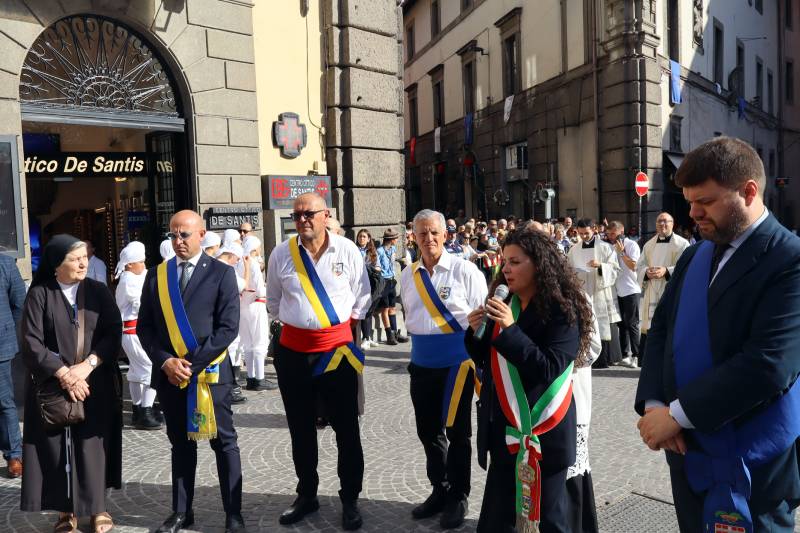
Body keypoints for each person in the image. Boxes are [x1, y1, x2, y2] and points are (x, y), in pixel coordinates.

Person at [635, 137, 800, 532]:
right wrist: (655, 402)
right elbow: (662, 331)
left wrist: (676, 415)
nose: (693, 214)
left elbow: (768, 364)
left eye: (705, 202)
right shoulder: (694, 254)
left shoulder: (789, 258)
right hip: (689, 455)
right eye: (690, 202)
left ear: (748, 191)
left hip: (754, 462)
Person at [465, 228, 594, 533]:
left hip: (544, 434)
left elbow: (548, 368)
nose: (505, 269)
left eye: (515, 262)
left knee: (548, 520)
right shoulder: (505, 302)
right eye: (504, 262)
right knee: (499, 519)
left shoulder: (563, 311)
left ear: (538, 264)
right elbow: (483, 357)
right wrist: (474, 332)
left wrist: (509, 330)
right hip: (504, 430)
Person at [266, 193, 371, 531]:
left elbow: (363, 296)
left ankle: (350, 498)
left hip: (336, 351)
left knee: (346, 428)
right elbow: (273, 302)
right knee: (300, 428)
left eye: (309, 214)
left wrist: (336, 329)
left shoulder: (348, 250)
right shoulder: (281, 253)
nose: (302, 220)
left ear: (326, 215)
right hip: (293, 352)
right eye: (296, 216)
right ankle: (307, 494)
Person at [137, 211, 246, 533]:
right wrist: (166, 362)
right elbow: (145, 328)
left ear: (201, 235)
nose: (178, 241)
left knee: (223, 443)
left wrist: (191, 365)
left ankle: (233, 514)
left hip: (211, 376)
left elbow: (228, 329)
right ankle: (182, 512)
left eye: (184, 234)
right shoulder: (157, 275)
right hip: (172, 376)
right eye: (173, 235)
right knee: (180, 444)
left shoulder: (222, 273)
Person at [20, 235, 123, 533]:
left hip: (94, 382)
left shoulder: (98, 291)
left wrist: (87, 366)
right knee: (56, 448)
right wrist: (65, 374)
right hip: (54, 385)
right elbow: (31, 343)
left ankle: (98, 508)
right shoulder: (39, 294)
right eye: (74, 258)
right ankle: (66, 512)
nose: (82, 262)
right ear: (56, 265)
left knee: (93, 445)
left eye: (84, 257)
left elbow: (113, 333)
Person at [399, 209, 487, 529]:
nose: (429, 238)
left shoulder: (465, 271)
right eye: (422, 233)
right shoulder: (408, 275)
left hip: (457, 365)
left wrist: (481, 363)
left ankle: (459, 496)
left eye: (434, 232)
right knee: (428, 431)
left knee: (458, 433)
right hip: (421, 364)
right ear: (414, 237)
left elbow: (483, 320)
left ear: (445, 235)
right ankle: (439, 488)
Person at [565, 293, 602, 533]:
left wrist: (558, 357)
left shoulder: (576, 297)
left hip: (569, 394)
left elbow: (593, 347)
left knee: (570, 466)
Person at [115, 241, 161, 430]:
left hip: (130, 332)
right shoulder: (129, 280)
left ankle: (137, 409)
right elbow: (141, 303)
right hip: (134, 331)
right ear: (129, 264)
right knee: (152, 367)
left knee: (136, 371)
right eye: (140, 262)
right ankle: (146, 410)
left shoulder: (132, 277)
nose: (143, 265)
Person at [567, 219, 621, 368]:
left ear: (594, 229)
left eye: (587, 233)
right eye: (581, 233)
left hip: (600, 291)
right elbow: (568, 269)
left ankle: (604, 359)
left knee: (602, 324)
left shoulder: (606, 248)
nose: (584, 236)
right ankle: (585, 355)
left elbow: (615, 269)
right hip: (582, 291)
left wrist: (600, 266)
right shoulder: (573, 250)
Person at [636, 212, 689, 362]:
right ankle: (651, 359)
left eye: (666, 221)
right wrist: (646, 272)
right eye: (659, 221)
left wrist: (666, 271)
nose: (662, 224)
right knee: (651, 326)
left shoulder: (682, 244)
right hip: (652, 290)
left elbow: (686, 266)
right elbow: (639, 266)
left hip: (671, 290)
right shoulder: (649, 244)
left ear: (673, 224)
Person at [215, 243, 250, 405]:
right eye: (236, 259)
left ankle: (229, 387)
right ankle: (229, 388)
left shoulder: (212, 265)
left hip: (218, 317)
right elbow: (243, 286)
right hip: (225, 317)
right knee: (228, 354)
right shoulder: (225, 269)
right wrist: (248, 267)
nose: (237, 262)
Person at [0, 254, 25, 478]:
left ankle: (14, 455)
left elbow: (19, 303)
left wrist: (6, 329)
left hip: (0, 345)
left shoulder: (5, 264)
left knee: (4, 401)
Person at [239, 236, 274, 391]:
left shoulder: (240, 262)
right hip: (256, 305)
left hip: (243, 306)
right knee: (259, 343)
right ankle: (260, 378)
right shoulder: (252, 263)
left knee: (248, 344)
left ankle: (251, 378)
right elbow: (260, 291)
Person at [605, 221, 641, 368]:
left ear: (621, 231)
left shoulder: (632, 245)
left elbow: (634, 266)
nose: (610, 236)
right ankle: (625, 355)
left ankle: (638, 356)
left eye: (613, 233)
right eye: (608, 234)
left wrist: (621, 253)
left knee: (632, 323)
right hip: (617, 290)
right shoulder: (610, 247)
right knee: (622, 324)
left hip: (631, 290)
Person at [376, 228, 408, 345]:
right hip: (383, 281)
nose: (397, 240)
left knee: (393, 307)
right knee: (385, 309)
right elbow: (376, 265)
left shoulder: (393, 249)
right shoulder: (379, 251)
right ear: (391, 239)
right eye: (396, 238)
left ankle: (395, 332)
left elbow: (393, 261)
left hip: (391, 280)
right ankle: (389, 335)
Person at [356, 229, 382, 350]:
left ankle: (368, 337)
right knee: (363, 312)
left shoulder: (372, 252)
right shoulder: (354, 250)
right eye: (360, 236)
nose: (361, 239)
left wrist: (372, 268)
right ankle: (364, 338)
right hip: (359, 285)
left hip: (371, 283)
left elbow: (378, 267)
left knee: (370, 311)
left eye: (364, 237)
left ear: (368, 239)